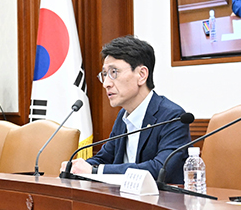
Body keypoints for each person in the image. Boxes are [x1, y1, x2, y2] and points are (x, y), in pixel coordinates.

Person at [60, 36, 191, 184]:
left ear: (142, 75)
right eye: (104, 74)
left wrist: (95, 171)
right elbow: (104, 157)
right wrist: (77, 167)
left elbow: (160, 169)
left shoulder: (173, 116)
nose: (106, 84)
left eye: (114, 72)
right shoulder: (124, 115)